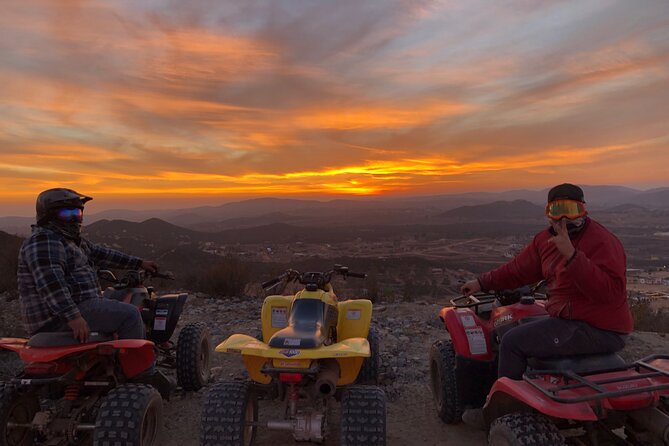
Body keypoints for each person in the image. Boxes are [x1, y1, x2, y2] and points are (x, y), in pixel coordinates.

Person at [461, 183, 633, 380]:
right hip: (568, 320)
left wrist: (571, 255)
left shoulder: (603, 242)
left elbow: (609, 292)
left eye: (571, 211)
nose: (564, 219)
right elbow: (518, 269)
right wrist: (482, 282)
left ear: (583, 211)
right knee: (524, 324)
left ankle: (505, 407)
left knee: (512, 343)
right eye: (557, 211)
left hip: (600, 328)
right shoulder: (545, 241)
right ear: (548, 213)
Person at [17, 188, 159, 343]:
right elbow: (51, 285)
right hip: (56, 319)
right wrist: (73, 317)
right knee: (130, 315)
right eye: (66, 213)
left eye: (77, 213)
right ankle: (139, 367)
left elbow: (102, 254)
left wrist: (139, 263)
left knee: (114, 305)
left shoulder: (68, 240)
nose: (73, 218)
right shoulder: (45, 241)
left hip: (74, 309)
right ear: (49, 215)